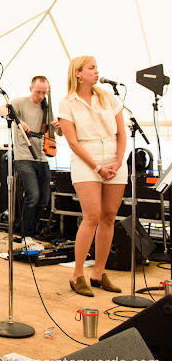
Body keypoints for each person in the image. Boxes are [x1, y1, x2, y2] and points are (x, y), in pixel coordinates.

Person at [58, 56, 127, 297]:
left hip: (114, 159)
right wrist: (97, 167)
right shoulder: (67, 103)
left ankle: (99, 272)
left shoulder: (109, 97)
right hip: (86, 159)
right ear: (77, 73)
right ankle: (77, 274)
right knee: (93, 216)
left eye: (97, 67)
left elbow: (122, 133)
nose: (97, 71)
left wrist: (118, 162)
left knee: (109, 216)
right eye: (92, 68)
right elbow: (73, 142)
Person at [0, 76, 62, 243]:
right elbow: (0, 109)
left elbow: (57, 134)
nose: (41, 96)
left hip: (42, 157)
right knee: (32, 195)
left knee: (44, 198)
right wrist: (18, 121)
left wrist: (59, 128)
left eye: (44, 93)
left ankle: (34, 230)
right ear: (31, 89)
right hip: (24, 155)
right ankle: (27, 234)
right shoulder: (20, 102)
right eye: (38, 92)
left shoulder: (47, 108)